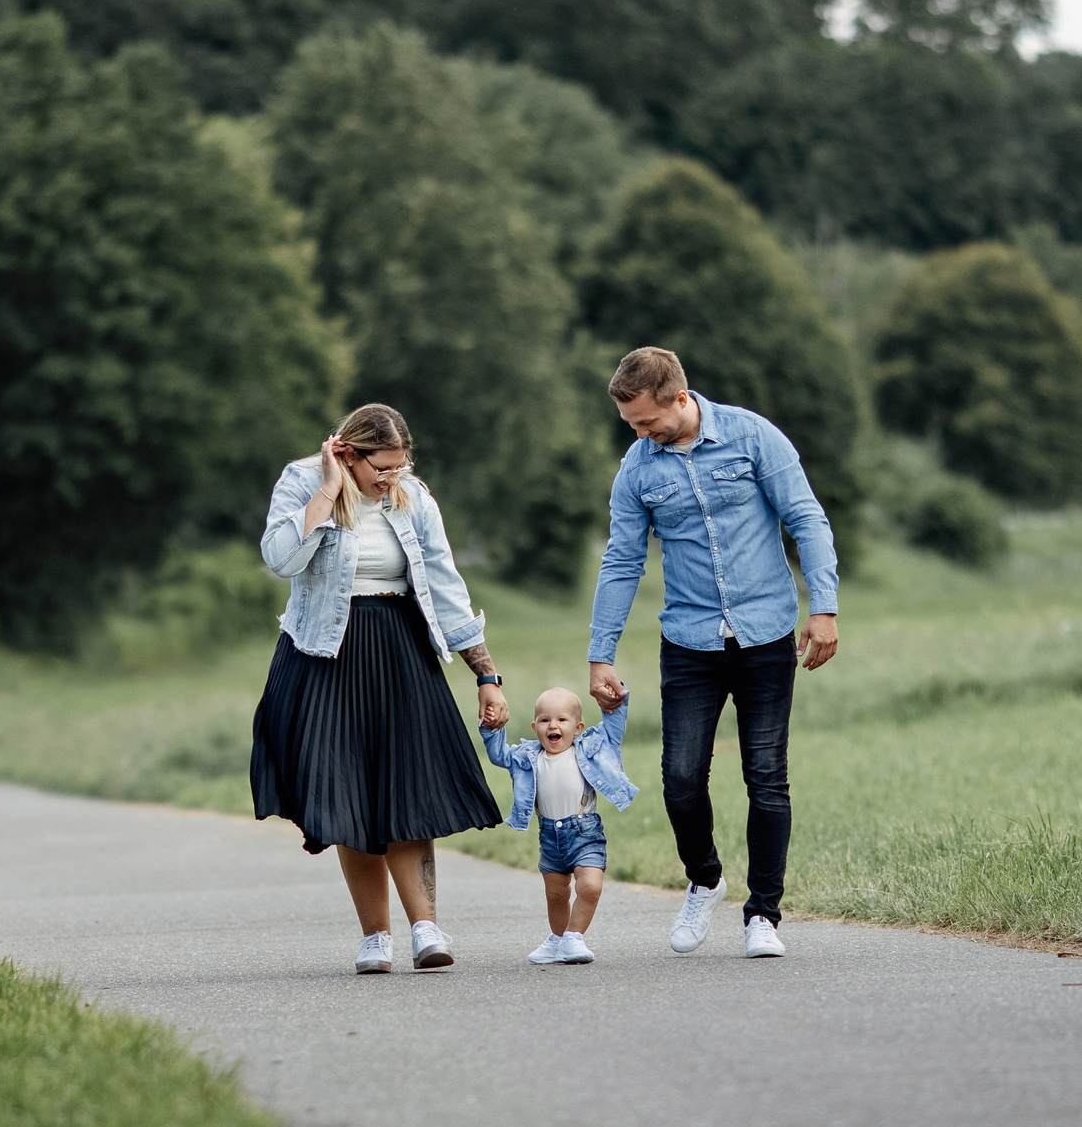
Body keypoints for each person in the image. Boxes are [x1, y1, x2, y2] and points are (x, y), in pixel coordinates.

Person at [586, 347, 840, 960]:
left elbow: (806, 519)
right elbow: (622, 561)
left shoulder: (753, 438)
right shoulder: (638, 469)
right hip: (690, 641)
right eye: (631, 426)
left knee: (766, 776)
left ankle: (763, 915)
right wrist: (601, 654)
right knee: (679, 779)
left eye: (647, 422)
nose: (641, 434)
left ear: (679, 397)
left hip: (766, 633)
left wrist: (824, 607)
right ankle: (704, 878)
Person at [253, 403, 510, 973]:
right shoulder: (301, 482)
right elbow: (280, 560)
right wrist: (326, 490)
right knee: (348, 797)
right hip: (325, 651)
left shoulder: (412, 497)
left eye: (399, 466)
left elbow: (445, 583)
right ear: (347, 451)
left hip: (399, 649)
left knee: (408, 788)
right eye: (381, 468)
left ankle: (427, 929)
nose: (390, 478)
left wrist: (485, 674)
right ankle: (375, 938)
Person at [484, 685, 637, 966]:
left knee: (590, 886)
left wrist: (615, 703)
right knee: (556, 895)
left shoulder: (588, 749)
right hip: (549, 836)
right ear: (535, 726)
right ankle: (556, 940)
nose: (552, 726)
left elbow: (613, 732)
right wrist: (493, 729)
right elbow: (499, 756)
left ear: (578, 727)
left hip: (585, 832)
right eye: (544, 720)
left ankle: (574, 936)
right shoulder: (528, 758)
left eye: (561, 720)